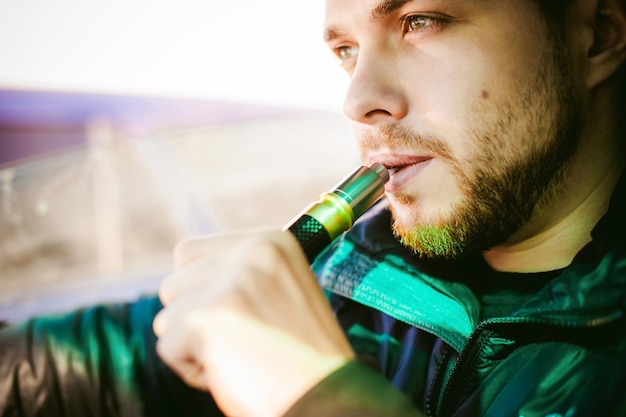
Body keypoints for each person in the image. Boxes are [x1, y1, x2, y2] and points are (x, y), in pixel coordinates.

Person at [2, 0, 626, 416]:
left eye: (421, 20)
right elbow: (84, 363)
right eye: (347, 51)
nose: (359, 100)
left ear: (596, 35)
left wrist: (319, 396)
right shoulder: (356, 277)